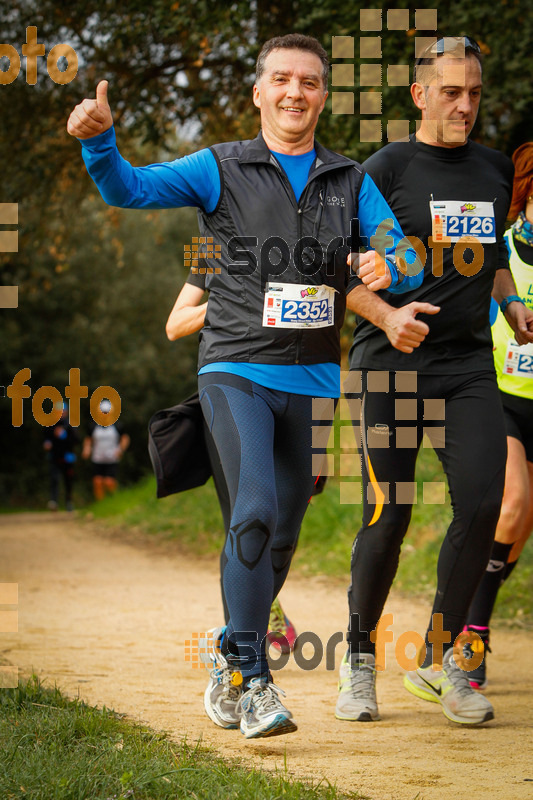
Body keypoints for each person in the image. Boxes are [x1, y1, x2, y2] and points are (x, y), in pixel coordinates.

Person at [67, 33, 420, 739]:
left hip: (315, 380)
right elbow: (127, 188)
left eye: (310, 82)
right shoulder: (217, 167)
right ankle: (256, 683)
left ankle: (230, 659)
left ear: (324, 94)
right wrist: (101, 143)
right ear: (258, 92)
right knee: (252, 508)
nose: (295, 92)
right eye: (281, 80)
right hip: (234, 368)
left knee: (281, 537)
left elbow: (403, 250)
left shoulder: (348, 179)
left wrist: (394, 267)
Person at [337, 36, 533, 727]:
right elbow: (340, 272)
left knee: (482, 505)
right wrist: (387, 317)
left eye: (474, 93)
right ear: (418, 94)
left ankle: (445, 658)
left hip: (466, 366)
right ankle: (357, 660)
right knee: (387, 514)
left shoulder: (491, 169)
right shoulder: (382, 170)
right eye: (450, 92)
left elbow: (488, 256)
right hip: (390, 364)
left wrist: (508, 300)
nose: (464, 106)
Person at [166, 270, 298, 654]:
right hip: (232, 393)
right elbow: (175, 325)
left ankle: (258, 608)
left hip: (298, 391)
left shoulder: (305, 235)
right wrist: (232, 304)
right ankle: (240, 648)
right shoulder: (213, 252)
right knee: (244, 518)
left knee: (285, 521)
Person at [464, 142, 533, 689]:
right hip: (500, 397)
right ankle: (472, 632)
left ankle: (472, 605)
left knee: (521, 527)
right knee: (512, 506)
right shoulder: (499, 250)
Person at [82, 399, 130, 500]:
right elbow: (88, 439)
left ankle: (115, 499)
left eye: (106, 412)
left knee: (109, 482)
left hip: (112, 458)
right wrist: (87, 449)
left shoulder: (117, 426)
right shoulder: (93, 426)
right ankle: (100, 502)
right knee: (97, 481)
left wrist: (120, 450)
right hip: (98, 458)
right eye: (103, 412)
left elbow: (125, 438)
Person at [43, 403, 79, 511]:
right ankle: (54, 501)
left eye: (63, 411)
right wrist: (47, 443)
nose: (61, 413)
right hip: (54, 456)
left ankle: (69, 502)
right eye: (59, 411)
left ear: (66, 412)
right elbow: (46, 439)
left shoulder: (70, 424)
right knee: (54, 478)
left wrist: (65, 436)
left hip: (67, 457)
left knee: (68, 480)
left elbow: (76, 440)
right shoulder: (50, 425)